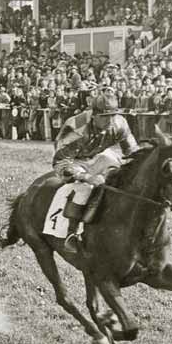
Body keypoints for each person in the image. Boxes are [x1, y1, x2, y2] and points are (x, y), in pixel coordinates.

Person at [52, 87, 139, 253]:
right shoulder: (76, 128)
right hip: (72, 160)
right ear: (94, 115)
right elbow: (60, 161)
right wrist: (86, 177)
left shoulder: (119, 123)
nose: (110, 121)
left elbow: (132, 152)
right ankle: (72, 234)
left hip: (98, 154)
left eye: (113, 115)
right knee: (86, 188)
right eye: (105, 117)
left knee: (121, 173)